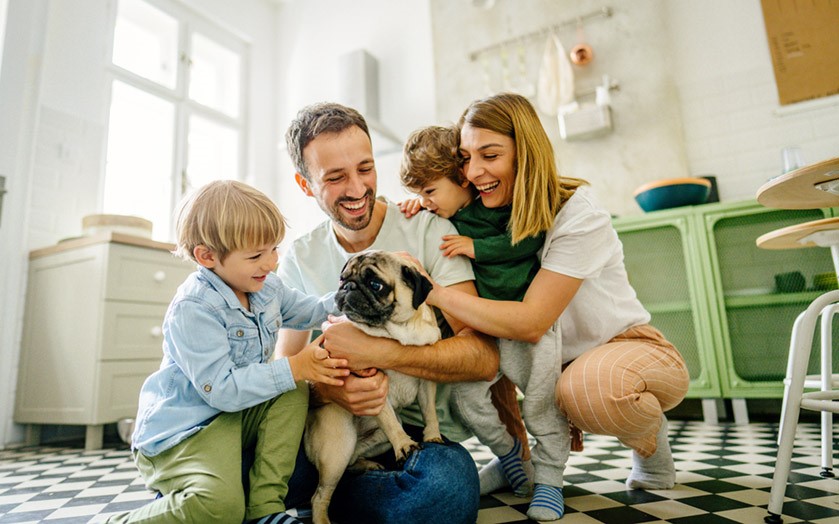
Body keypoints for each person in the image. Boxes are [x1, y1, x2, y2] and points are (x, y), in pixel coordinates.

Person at [417, 93, 691, 522]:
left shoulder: (578, 215)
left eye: (490, 155)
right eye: (466, 159)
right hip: (540, 352)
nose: (474, 172)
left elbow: (530, 321)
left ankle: (649, 439)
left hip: (624, 349)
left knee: (587, 390)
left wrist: (430, 291)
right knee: (480, 373)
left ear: (525, 154)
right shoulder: (484, 211)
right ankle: (517, 462)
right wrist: (422, 202)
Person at [277, 102, 527, 524]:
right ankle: (351, 490)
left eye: (366, 168)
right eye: (335, 177)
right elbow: (285, 370)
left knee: (445, 494)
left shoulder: (431, 230)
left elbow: (483, 357)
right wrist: (331, 391)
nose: (357, 188)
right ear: (305, 184)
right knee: (237, 461)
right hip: (336, 426)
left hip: (421, 435)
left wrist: (382, 354)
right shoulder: (299, 258)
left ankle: (332, 494)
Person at [107, 180, 349, 524]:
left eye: (273, 248)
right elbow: (221, 390)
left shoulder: (265, 286)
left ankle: (265, 509)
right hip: (185, 431)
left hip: (231, 415)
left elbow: (310, 310)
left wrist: (352, 295)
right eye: (255, 255)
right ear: (207, 257)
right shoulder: (194, 307)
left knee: (291, 389)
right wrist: (296, 366)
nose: (270, 262)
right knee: (221, 508)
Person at [398, 124, 546, 498]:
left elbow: (527, 236)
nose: (426, 200)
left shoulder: (490, 209)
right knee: (484, 399)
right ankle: (511, 457)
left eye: (430, 191)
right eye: (420, 193)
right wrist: (420, 202)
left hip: (516, 318)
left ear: (461, 178)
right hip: (482, 325)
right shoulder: (443, 214)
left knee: (531, 400)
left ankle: (544, 474)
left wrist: (476, 247)